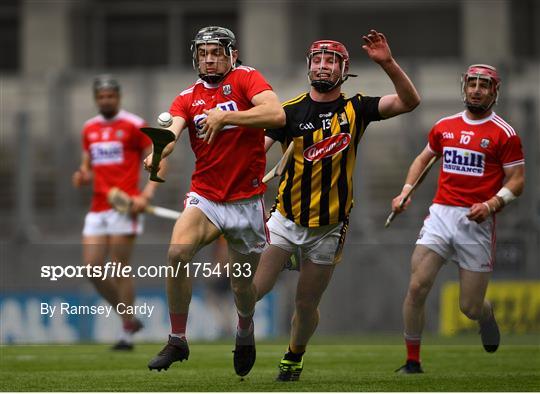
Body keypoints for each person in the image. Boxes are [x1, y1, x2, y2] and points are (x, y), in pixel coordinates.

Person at [254, 30, 420, 381]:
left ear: (344, 69)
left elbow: (409, 102)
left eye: (331, 60)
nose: (323, 66)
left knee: (305, 304)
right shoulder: (289, 112)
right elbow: (256, 155)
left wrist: (387, 63)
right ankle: (243, 338)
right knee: (254, 290)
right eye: (318, 59)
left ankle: (294, 356)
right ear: (309, 66)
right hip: (286, 219)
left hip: (329, 228)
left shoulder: (356, 108)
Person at [144, 26, 285, 376]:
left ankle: (245, 329)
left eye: (217, 52)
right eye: (204, 52)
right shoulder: (186, 97)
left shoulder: (246, 79)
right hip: (205, 197)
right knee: (177, 252)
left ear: (232, 54)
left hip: (246, 202)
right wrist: (158, 154)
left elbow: (276, 115)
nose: (209, 58)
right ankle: (177, 339)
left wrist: (227, 116)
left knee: (241, 286)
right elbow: (172, 132)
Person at [391, 64, 525, 374]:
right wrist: (406, 191)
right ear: (463, 86)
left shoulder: (504, 134)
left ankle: (486, 317)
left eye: (484, 85)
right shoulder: (444, 126)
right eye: (472, 83)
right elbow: (424, 159)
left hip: (476, 222)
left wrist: (491, 204)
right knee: (416, 288)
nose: (477, 89)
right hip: (440, 215)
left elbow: (517, 180)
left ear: (495, 91)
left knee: (470, 307)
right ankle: (413, 361)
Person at [73, 75, 163, 350]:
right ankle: (129, 317)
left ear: (118, 97)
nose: (106, 100)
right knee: (92, 270)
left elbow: (157, 159)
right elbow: (87, 165)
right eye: (101, 97)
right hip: (99, 207)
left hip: (125, 207)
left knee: (119, 270)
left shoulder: (134, 125)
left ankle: (125, 332)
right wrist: (82, 175)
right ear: (95, 99)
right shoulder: (89, 129)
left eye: (110, 96)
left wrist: (146, 194)